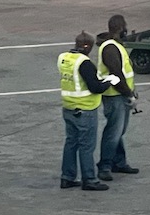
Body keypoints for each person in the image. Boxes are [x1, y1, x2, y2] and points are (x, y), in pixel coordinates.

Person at [59, 32, 119, 190]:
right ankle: (89, 179)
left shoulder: (64, 58)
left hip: (68, 107)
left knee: (71, 142)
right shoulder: (84, 63)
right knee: (86, 146)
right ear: (87, 46)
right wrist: (109, 81)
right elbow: (95, 87)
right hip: (85, 109)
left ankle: (67, 177)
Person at [95, 14, 140, 181]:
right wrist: (128, 93)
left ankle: (118, 161)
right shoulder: (110, 48)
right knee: (113, 131)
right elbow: (116, 74)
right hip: (115, 96)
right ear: (121, 28)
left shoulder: (114, 46)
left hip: (120, 94)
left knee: (118, 130)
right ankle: (105, 165)